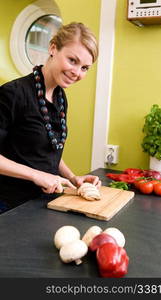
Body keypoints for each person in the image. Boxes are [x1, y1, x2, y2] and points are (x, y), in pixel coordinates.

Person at [0, 22, 101, 214]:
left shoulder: (60, 97)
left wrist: (73, 178)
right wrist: (37, 175)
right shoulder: (12, 93)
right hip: (9, 206)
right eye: (73, 60)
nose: (77, 73)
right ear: (53, 48)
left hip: (47, 202)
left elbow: (48, 149)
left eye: (85, 68)